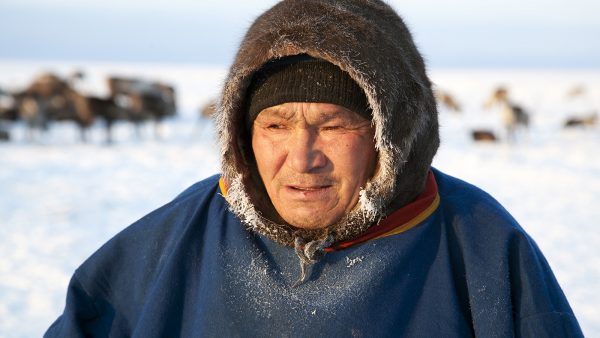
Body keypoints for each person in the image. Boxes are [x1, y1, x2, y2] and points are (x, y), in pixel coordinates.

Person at [45, 0, 583, 337]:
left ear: (388, 134)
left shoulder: (477, 242)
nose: (302, 159)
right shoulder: (179, 238)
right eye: (276, 125)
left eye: (333, 125)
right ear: (241, 134)